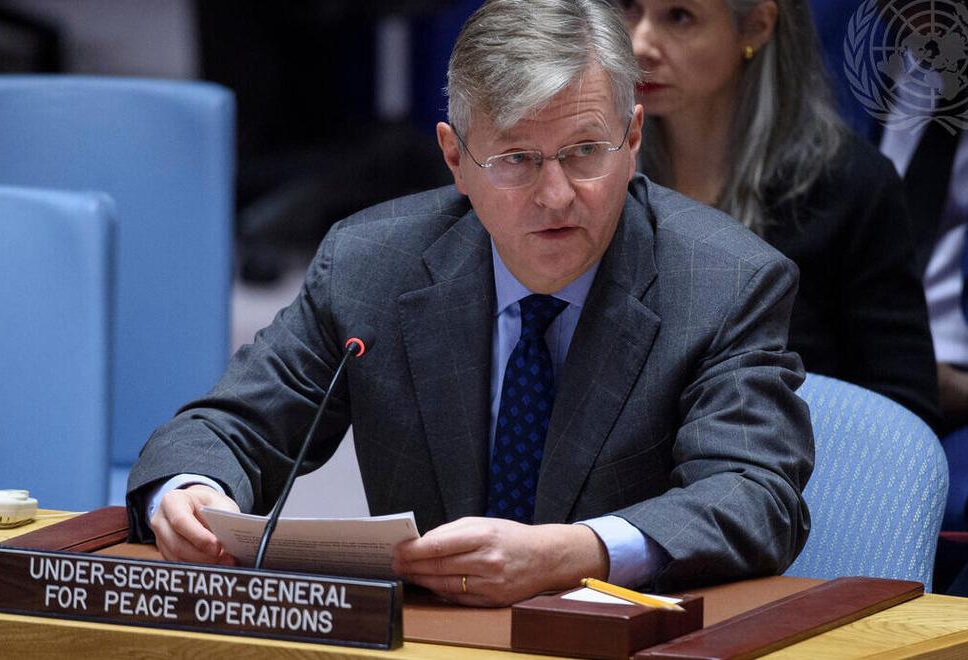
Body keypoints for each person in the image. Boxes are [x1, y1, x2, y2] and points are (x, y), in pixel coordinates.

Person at [127, 0, 814, 607]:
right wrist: (190, 493)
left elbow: (755, 497)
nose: (555, 195)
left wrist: (576, 552)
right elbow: (228, 427)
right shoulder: (373, 267)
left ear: (632, 139)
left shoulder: (725, 282)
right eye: (516, 159)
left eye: (584, 152)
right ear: (455, 159)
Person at [617, 0, 940, 429]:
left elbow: (904, 413)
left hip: (802, 473)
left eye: (680, 17)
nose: (640, 44)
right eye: (628, 8)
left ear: (755, 27)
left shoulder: (851, 184)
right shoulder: (596, 170)